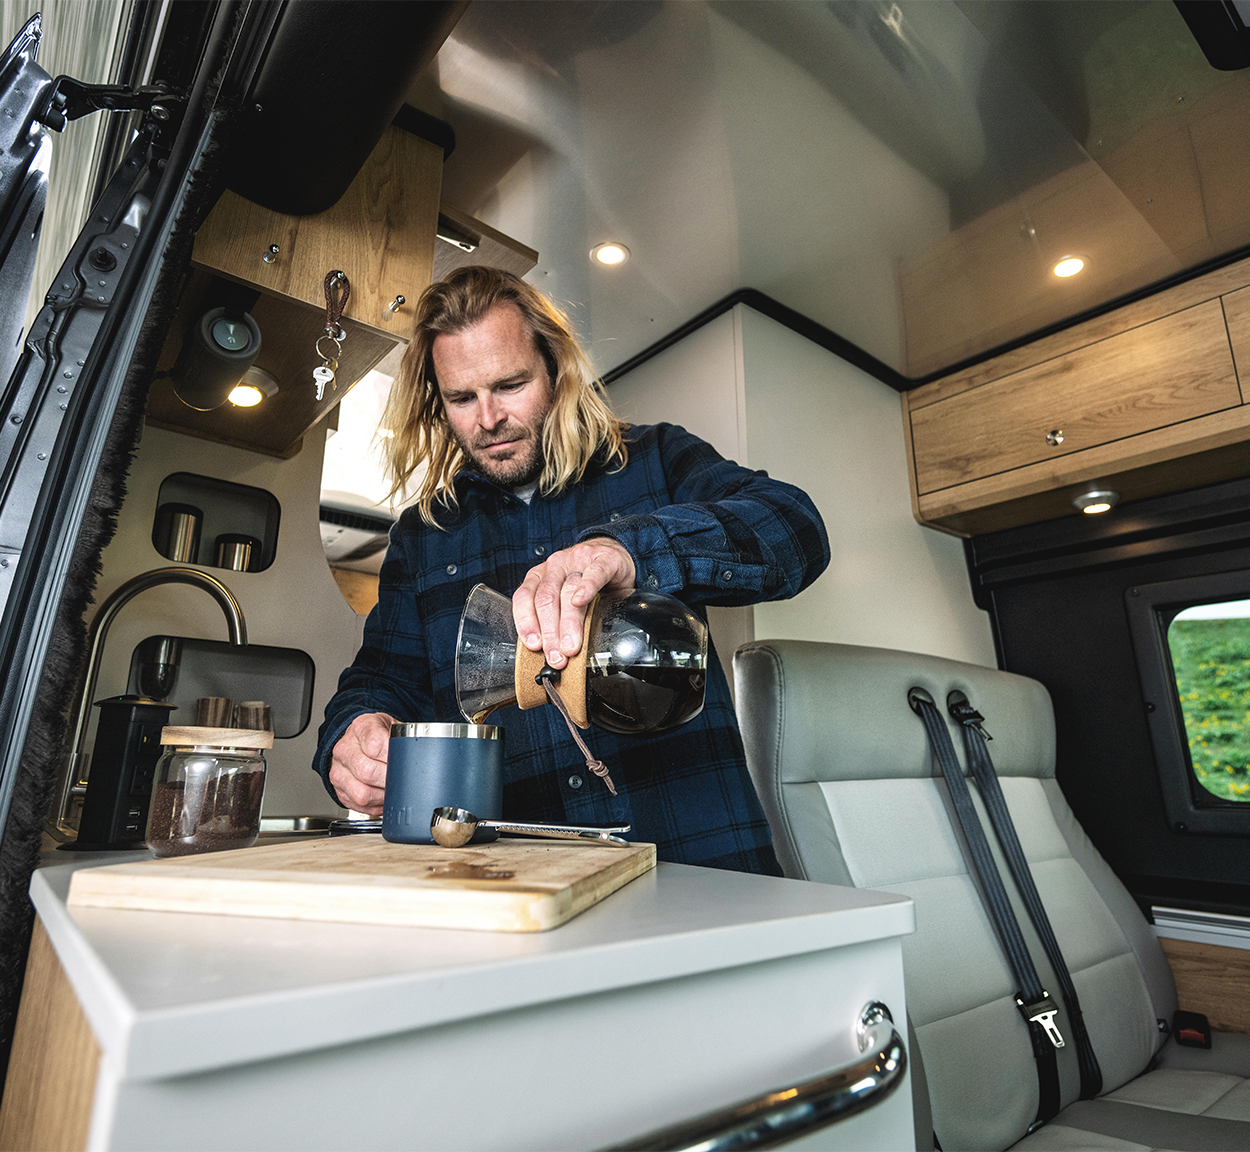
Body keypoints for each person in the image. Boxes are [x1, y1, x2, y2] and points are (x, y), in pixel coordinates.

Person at [314, 267, 829, 873]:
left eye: (509, 385)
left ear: (555, 372)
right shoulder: (424, 536)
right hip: (516, 884)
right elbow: (381, 680)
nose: (487, 419)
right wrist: (351, 737)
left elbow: (795, 528)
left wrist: (629, 552)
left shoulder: (654, 461)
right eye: (461, 397)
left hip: (701, 858)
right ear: (438, 401)